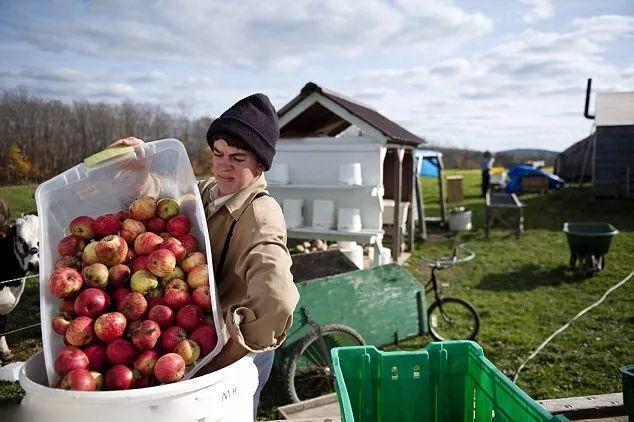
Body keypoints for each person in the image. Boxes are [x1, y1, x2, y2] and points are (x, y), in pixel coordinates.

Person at [110, 93, 299, 417]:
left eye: (237, 158)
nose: (224, 165)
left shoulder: (261, 215)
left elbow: (277, 300)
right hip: (193, 329)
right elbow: (165, 199)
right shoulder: (208, 190)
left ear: (260, 164)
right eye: (218, 153)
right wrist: (142, 173)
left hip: (235, 349)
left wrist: (224, 359)